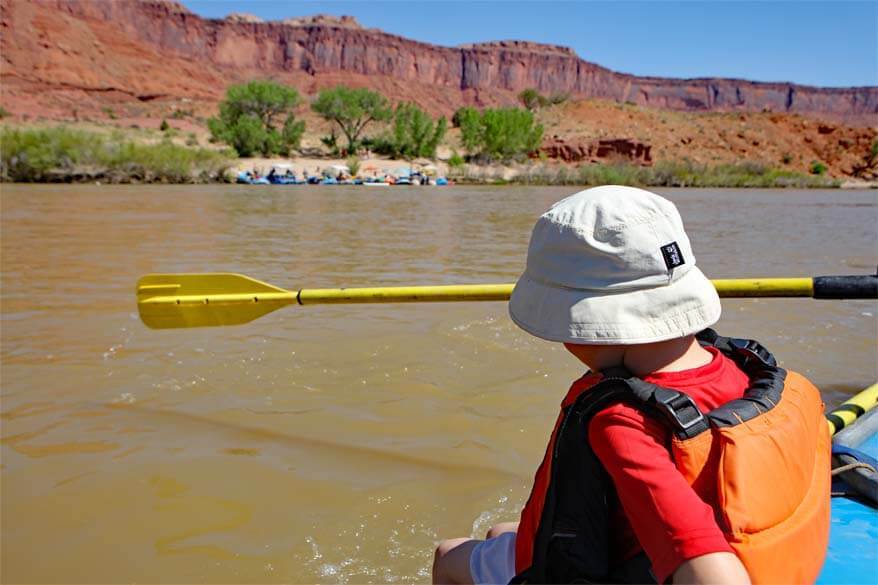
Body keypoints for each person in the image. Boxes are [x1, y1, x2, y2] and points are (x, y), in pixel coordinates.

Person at [433, 186, 830, 585]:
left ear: (597, 325)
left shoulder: (624, 424)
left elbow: (719, 577)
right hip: (642, 550)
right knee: (501, 531)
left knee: (448, 555)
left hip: (615, 570)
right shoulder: (743, 371)